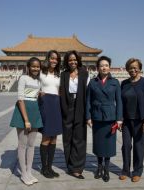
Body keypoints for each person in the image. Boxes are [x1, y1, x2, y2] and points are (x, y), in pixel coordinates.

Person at [86, 56, 123, 182]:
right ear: (98, 68)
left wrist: (119, 119)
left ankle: (106, 169)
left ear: (109, 67)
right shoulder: (92, 82)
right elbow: (88, 102)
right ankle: (99, 167)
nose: (104, 67)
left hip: (110, 118)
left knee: (108, 145)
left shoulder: (115, 82)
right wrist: (88, 117)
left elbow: (119, 101)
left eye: (106, 65)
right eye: (101, 65)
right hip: (96, 117)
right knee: (98, 144)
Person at [9, 57, 43, 186]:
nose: (35, 68)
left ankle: (29, 171)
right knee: (22, 144)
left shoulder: (38, 81)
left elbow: (34, 94)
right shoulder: (23, 78)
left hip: (35, 110)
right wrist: (26, 120)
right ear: (28, 67)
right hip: (23, 112)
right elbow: (20, 99)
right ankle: (23, 173)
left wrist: (41, 93)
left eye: (38, 66)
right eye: (33, 66)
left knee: (31, 144)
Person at [119, 58, 144, 182]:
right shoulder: (124, 83)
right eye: (130, 67)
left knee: (139, 146)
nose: (133, 69)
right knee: (126, 146)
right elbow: (120, 103)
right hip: (127, 121)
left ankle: (137, 171)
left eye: (135, 67)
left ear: (140, 69)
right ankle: (125, 170)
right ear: (127, 69)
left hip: (140, 121)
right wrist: (119, 119)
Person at [60, 50, 89, 179]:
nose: (73, 62)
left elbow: (88, 93)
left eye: (75, 59)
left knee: (80, 137)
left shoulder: (84, 73)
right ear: (67, 61)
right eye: (70, 60)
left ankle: (78, 167)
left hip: (80, 105)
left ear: (78, 60)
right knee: (67, 137)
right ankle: (70, 166)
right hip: (67, 105)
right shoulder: (64, 74)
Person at [38, 50, 62, 178]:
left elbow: (60, 90)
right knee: (46, 136)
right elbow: (34, 86)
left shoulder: (59, 74)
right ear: (48, 59)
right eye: (52, 58)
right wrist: (38, 92)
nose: (54, 61)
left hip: (56, 104)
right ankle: (44, 168)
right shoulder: (41, 73)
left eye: (56, 59)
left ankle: (50, 167)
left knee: (54, 138)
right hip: (45, 104)